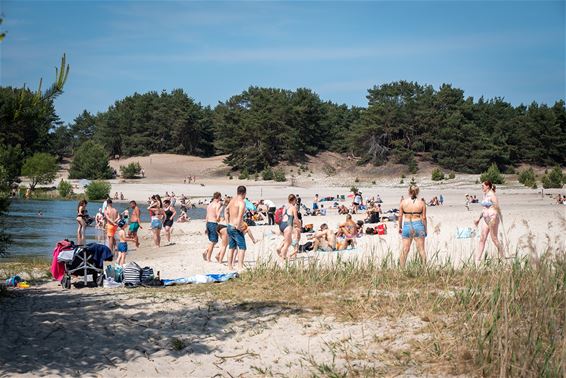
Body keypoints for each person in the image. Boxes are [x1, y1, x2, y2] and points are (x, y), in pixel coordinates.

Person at [474, 181, 504, 261]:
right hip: (485, 219)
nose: (482, 187)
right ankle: (478, 258)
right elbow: (484, 209)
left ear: (487, 186)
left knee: (494, 238)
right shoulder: (485, 195)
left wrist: (493, 219)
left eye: (483, 186)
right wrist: (478, 218)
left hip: (492, 219)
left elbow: (496, 208)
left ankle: (502, 255)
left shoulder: (492, 195)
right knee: (482, 238)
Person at [398, 185, 427, 267]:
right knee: (421, 250)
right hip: (418, 225)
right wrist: (425, 229)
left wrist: (400, 227)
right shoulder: (422, 203)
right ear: (417, 192)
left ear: (408, 191)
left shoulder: (403, 202)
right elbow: (424, 218)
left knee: (405, 249)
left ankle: (401, 269)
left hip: (407, 225)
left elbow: (400, 216)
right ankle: (424, 269)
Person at [225, 186, 248, 270]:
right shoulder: (242, 202)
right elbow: (240, 216)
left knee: (231, 247)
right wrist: (238, 227)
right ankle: (240, 266)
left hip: (230, 226)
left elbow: (226, 210)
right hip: (235, 227)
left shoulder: (232, 200)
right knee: (242, 247)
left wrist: (227, 222)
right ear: (244, 193)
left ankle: (229, 267)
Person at [276, 194, 300, 260]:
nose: (296, 201)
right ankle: (283, 258)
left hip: (281, 225)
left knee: (288, 241)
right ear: (294, 200)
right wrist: (299, 226)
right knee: (287, 244)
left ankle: (279, 249)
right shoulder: (293, 207)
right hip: (287, 226)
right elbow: (295, 219)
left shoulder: (285, 207)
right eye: (295, 200)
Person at [203, 192, 222, 262]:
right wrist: (220, 217)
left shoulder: (209, 205)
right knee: (213, 241)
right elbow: (217, 216)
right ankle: (208, 258)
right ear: (219, 197)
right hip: (213, 223)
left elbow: (206, 216)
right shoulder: (217, 204)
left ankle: (206, 252)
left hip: (208, 223)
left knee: (212, 241)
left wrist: (206, 227)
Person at [214, 196, 231, 263]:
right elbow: (227, 219)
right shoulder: (228, 208)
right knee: (224, 245)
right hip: (224, 226)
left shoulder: (221, 208)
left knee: (225, 243)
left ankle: (218, 255)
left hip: (218, 226)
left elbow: (217, 217)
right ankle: (220, 260)